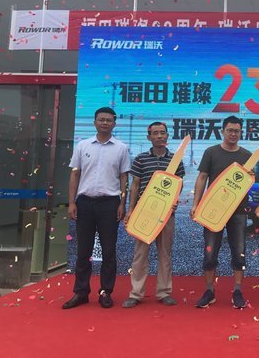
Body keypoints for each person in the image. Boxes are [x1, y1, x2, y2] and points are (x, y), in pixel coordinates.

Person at [62, 107, 130, 309]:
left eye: (109, 120)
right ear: (95, 122)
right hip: (84, 203)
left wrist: (122, 203)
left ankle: (106, 291)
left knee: (109, 250)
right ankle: (81, 292)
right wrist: (72, 202)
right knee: (83, 250)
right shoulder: (83, 145)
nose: (105, 123)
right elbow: (75, 174)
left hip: (110, 204)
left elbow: (124, 177)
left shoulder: (121, 148)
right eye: (101, 119)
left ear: (114, 123)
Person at [190, 116, 252, 309]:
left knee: (239, 252)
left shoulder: (247, 155)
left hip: (238, 211)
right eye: (230, 130)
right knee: (210, 252)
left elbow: (249, 182)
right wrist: (195, 204)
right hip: (213, 210)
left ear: (241, 133)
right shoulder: (211, 152)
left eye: (237, 131)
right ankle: (209, 291)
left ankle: (238, 291)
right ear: (223, 131)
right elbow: (202, 177)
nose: (233, 134)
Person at [122, 122, 185, 308]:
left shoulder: (175, 160)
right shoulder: (141, 159)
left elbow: (178, 184)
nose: (159, 136)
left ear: (167, 136)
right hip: (144, 213)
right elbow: (135, 185)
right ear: (149, 137)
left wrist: (174, 201)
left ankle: (164, 292)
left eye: (162, 133)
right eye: (155, 133)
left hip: (166, 214)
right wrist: (131, 210)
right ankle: (136, 293)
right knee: (140, 255)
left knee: (165, 254)